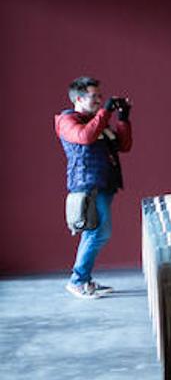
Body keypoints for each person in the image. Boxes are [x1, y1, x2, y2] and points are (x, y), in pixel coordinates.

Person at [55, 76, 133, 299]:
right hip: (88, 185)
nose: (100, 100)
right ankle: (78, 281)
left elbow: (123, 145)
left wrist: (123, 117)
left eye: (101, 96)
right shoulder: (67, 120)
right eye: (94, 96)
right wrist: (105, 112)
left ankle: (84, 279)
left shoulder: (97, 120)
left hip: (104, 183)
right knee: (98, 233)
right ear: (78, 98)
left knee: (94, 233)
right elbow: (85, 137)